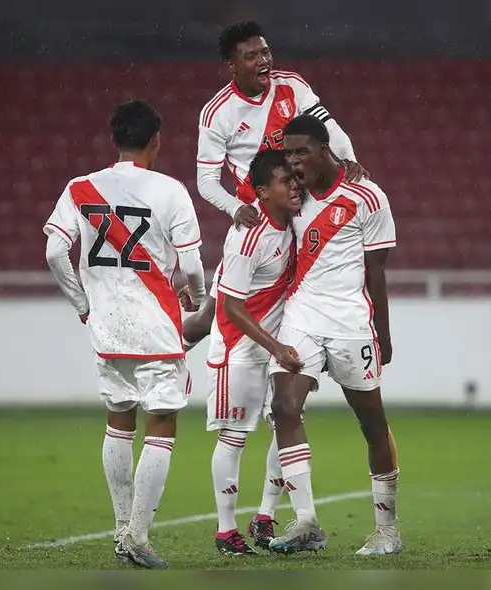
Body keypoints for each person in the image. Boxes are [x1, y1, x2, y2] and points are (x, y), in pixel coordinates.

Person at [43, 100, 208, 569]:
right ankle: (138, 534)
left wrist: (82, 304)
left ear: (114, 139)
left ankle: (121, 528)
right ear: (156, 140)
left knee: (119, 419)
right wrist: (194, 297)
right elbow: (192, 264)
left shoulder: (80, 189)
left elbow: (56, 252)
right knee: (163, 421)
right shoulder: (171, 191)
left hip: (107, 325)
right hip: (156, 322)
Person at [265, 114, 400, 556]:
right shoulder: (293, 195)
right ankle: (305, 521)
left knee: (372, 424)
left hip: (351, 324)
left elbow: (376, 272)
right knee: (284, 406)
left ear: (326, 150)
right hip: (302, 316)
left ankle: (387, 531)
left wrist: (382, 331)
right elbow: (257, 191)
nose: (294, 160)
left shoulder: (367, 196)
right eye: (289, 152)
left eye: (302, 151)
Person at [198, 150, 306, 555]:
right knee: (235, 436)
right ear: (262, 191)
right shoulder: (248, 236)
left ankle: (264, 515)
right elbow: (231, 307)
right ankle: (226, 529)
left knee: (288, 424)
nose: (295, 186)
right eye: (285, 181)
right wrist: (276, 346)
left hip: (275, 347)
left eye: (295, 179)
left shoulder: (295, 222)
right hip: (238, 349)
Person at [196, 20, 367, 229]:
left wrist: (349, 159)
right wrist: (236, 208)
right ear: (232, 65)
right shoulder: (217, 113)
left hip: (305, 204)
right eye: (251, 56)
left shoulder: (292, 85)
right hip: (261, 216)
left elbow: (329, 127)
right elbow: (206, 181)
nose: (263, 61)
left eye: (265, 52)